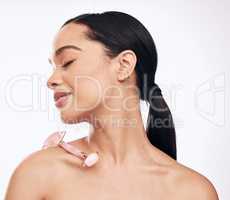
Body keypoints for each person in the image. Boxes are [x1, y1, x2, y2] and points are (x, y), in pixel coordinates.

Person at [5, 11, 219, 200]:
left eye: (68, 61)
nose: (50, 80)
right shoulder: (38, 174)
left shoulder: (194, 192)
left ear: (124, 65)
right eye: (52, 67)